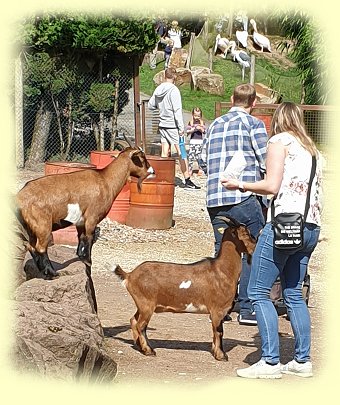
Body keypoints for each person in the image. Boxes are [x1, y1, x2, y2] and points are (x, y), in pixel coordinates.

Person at [223, 102, 322, 379]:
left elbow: (271, 186)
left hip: (283, 225)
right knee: (292, 292)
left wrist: (239, 184)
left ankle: (270, 362)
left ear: (277, 120)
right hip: (310, 227)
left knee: (256, 291)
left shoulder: (279, 141)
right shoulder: (312, 150)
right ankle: (302, 360)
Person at [201, 83, 267, 325]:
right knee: (250, 248)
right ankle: (247, 307)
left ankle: (222, 304)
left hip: (215, 198)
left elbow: (203, 161)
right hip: (243, 195)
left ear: (231, 99)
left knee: (223, 250)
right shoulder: (254, 125)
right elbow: (265, 160)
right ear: (254, 103)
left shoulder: (214, 124)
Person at [148, 67, 200, 190]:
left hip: (163, 124)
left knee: (165, 152)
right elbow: (177, 111)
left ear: (164, 76)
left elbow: (151, 105)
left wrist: (161, 108)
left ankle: (162, 178)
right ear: (175, 77)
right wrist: (181, 128)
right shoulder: (174, 90)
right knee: (181, 151)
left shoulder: (159, 89)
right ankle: (187, 179)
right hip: (173, 126)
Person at [186, 107, 206, 176]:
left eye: (198, 116)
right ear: (192, 115)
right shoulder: (191, 122)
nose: (197, 117)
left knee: (199, 156)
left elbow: (204, 131)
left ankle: (200, 169)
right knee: (191, 156)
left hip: (199, 142)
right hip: (192, 141)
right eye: (195, 115)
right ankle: (190, 169)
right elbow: (187, 132)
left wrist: (200, 128)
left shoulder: (202, 123)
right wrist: (193, 129)